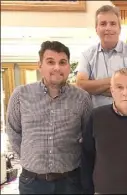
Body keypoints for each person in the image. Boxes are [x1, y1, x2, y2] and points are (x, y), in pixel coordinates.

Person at [6, 41, 93, 194]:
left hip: (71, 183)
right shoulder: (20, 95)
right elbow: (13, 132)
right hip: (32, 183)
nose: (57, 67)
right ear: (40, 65)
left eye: (62, 62)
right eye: (50, 62)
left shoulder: (82, 98)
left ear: (68, 66)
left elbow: (88, 136)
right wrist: (32, 157)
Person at [76, 5, 127, 108]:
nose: (108, 28)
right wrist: (119, 84)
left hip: (126, 117)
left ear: (119, 28)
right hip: (96, 117)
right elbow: (81, 85)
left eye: (113, 24)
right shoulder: (87, 54)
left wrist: (94, 89)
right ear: (96, 29)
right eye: (103, 24)